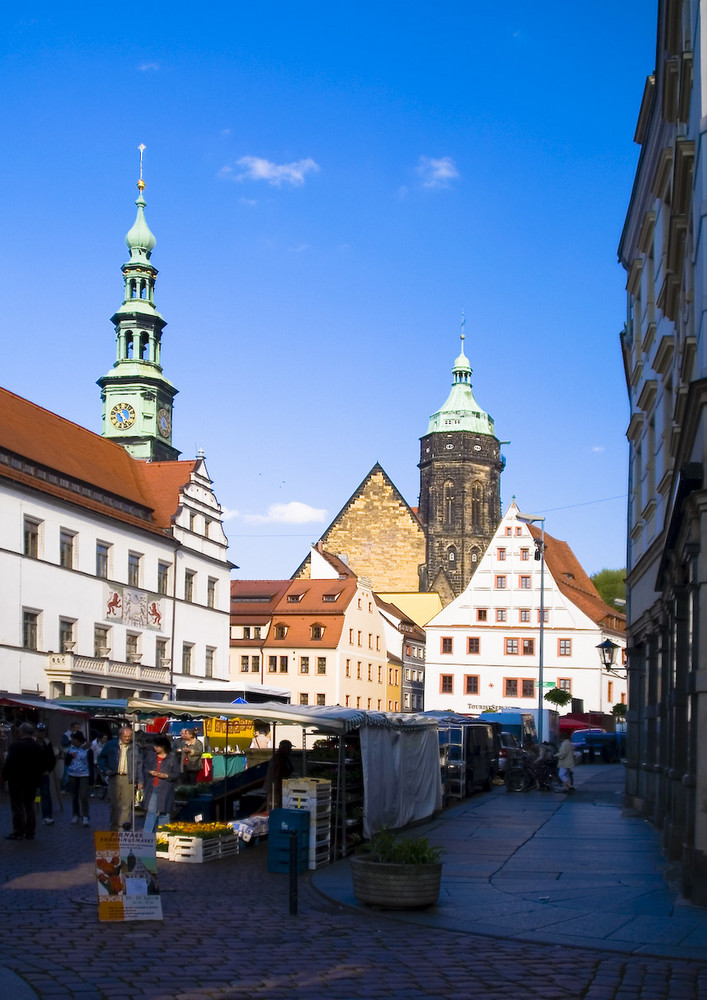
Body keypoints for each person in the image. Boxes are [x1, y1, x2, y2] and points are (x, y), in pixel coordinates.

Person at [2, 722, 47, 840]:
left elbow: (9, 763)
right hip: (32, 781)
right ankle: (30, 831)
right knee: (29, 805)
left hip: (16, 780)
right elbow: (42, 765)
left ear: (22, 732)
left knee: (17, 806)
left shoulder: (16, 746)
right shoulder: (37, 747)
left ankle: (18, 831)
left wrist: (4, 776)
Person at [98, 727, 144, 831]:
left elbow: (140, 764)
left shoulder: (135, 746)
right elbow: (101, 758)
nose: (127, 738)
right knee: (114, 804)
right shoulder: (111, 745)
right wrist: (105, 769)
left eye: (129, 736)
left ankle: (123, 828)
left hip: (129, 777)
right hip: (114, 776)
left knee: (126, 805)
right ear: (120, 736)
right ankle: (114, 827)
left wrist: (140, 780)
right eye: (125, 736)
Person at [142, 737, 181, 833]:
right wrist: (150, 772)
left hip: (166, 789)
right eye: (155, 746)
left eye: (157, 746)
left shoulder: (172, 758)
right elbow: (144, 769)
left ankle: (163, 836)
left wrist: (167, 775)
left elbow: (176, 773)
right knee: (151, 811)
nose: (155, 748)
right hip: (152, 787)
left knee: (164, 812)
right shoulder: (151, 756)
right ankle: (147, 836)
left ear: (163, 747)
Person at [65, 731, 94, 826]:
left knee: (83, 796)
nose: (71, 740)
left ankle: (85, 816)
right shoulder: (71, 748)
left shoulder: (87, 750)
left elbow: (91, 764)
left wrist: (91, 780)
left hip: (84, 775)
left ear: (77, 740)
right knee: (74, 796)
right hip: (72, 774)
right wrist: (69, 756)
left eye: (73, 738)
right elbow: (67, 762)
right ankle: (75, 815)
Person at [35, 723, 57, 825]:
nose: (41, 733)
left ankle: (47, 816)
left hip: (44, 772)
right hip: (32, 773)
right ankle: (32, 813)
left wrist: (48, 770)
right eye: (39, 731)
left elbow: (51, 758)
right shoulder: (32, 742)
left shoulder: (47, 743)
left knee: (45, 794)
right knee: (34, 794)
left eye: (42, 731)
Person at [263, 739, 293, 810]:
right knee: (274, 806)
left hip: (277, 787)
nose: (290, 750)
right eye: (289, 748)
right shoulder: (279, 758)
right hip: (275, 787)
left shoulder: (283, 757)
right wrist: (277, 786)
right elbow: (277, 773)